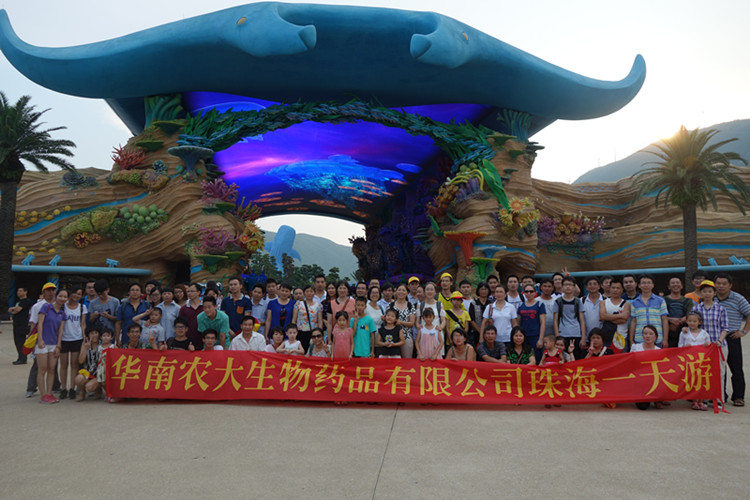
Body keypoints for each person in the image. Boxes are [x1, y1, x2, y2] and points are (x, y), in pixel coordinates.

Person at [714, 272, 750, 407]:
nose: (721, 286)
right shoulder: (712, 297)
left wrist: (744, 331)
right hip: (716, 339)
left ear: (730, 285)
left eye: (724, 284)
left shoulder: (738, 298)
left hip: (732, 337)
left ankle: (738, 396)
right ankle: (721, 395)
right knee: (719, 369)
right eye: (718, 283)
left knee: (736, 368)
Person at [693, 279, 729, 406]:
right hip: (702, 347)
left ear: (714, 293)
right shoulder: (696, 308)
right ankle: (704, 398)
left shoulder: (721, 309)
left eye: (709, 291)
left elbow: (725, 328)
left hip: (718, 346)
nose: (707, 294)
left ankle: (719, 399)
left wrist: (720, 340)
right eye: (704, 291)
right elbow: (692, 325)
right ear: (701, 293)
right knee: (702, 372)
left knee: (719, 372)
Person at [25, 282, 61, 398]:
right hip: (41, 341)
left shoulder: (58, 305)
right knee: (39, 366)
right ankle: (31, 387)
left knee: (52, 366)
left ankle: (55, 386)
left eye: (53, 290)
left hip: (53, 339)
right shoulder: (38, 306)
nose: (51, 292)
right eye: (48, 290)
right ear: (43, 292)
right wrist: (34, 341)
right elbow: (33, 324)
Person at [36, 288, 68, 403]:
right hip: (43, 343)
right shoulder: (46, 307)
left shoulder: (62, 313)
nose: (62, 298)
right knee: (42, 369)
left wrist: (58, 345)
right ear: (56, 296)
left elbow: (60, 331)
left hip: (54, 344)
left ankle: (49, 393)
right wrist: (40, 339)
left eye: (65, 297)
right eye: (60, 296)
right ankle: (43, 395)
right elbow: (40, 324)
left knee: (51, 369)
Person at [59, 286, 87, 400]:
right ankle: (63, 388)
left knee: (74, 364)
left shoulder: (82, 307)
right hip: (64, 338)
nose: (76, 296)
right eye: (75, 293)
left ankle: (72, 388)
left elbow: (83, 324)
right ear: (70, 293)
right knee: (63, 364)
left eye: (79, 294)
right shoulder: (63, 306)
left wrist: (84, 336)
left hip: (76, 338)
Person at [629, 275, 670, 349]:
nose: (646, 285)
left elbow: (664, 320)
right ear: (639, 285)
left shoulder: (660, 301)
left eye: (649, 283)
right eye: (643, 283)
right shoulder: (634, 302)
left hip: (657, 339)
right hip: (639, 339)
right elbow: (633, 321)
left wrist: (665, 339)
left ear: (653, 285)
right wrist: (631, 340)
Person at [552, 277, 586, 359]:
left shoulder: (578, 301)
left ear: (574, 287)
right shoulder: (558, 301)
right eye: (566, 285)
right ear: (562, 287)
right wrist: (557, 336)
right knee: (563, 358)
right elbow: (555, 320)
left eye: (570, 285)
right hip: (562, 333)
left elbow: (582, 320)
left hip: (576, 333)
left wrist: (583, 338)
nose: (568, 287)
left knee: (576, 358)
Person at [631, 325, 664, 410]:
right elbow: (629, 363)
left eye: (651, 334)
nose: (648, 336)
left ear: (655, 336)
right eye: (645, 334)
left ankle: (658, 400)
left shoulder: (659, 351)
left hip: (654, 378)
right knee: (643, 406)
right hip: (639, 379)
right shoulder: (635, 347)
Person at [599, 278, 631, 349]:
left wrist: (608, 318)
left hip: (622, 337)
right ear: (610, 289)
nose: (615, 290)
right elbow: (602, 316)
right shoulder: (603, 302)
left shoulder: (626, 304)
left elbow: (624, 319)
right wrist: (620, 315)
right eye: (613, 288)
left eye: (618, 288)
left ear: (622, 290)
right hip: (607, 337)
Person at [115, 282, 149, 347]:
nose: (135, 292)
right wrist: (117, 339)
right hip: (126, 339)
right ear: (129, 292)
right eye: (132, 290)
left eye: (137, 290)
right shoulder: (123, 306)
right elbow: (118, 323)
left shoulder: (147, 305)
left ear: (141, 293)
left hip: (143, 340)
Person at [292, 284, 323, 352]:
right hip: (300, 332)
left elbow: (320, 321)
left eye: (311, 291)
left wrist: (320, 333)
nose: (309, 293)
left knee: (312, 351)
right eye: (307, 291)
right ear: (304, 293)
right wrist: (293, 332)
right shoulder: (298, 304)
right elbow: (294, 319)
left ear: (314, 293)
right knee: (301, 351)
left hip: (313, 333)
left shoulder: (318, 305)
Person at [517, 284, 546, 359]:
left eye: (531, 291)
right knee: (524, 358)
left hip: (535, 336)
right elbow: (518, 323)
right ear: (523, 293)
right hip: (523, 337)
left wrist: (541, 339)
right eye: (526, 291)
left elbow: (543, 323)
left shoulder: (540, 304)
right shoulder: (521, 305)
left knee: (537, 358)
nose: (529, 293)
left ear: (535, 292)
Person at [74, 324, 101, 401]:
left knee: (89, 387)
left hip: (98, 373)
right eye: (92, 333)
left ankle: (98, 389)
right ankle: (82, 392)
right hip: (87, 372)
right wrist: (85, 349)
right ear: (88, 335)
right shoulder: (85, 345)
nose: (94, 335)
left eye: (96, 333)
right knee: (78, 379)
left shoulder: (102, 344)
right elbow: (80, 361)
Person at [664, 276, 693, 348]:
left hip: (684, 331)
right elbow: (659, 315)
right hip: (667, 332)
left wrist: (682, 320)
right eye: (673, 283)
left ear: (682, 286)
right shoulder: (663, 300)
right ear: (669, 287)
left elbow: (691, 314)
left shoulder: (688, 301)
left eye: (677, 282)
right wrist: (670, 319)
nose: (675, 284)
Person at [390, 283, 416, 358]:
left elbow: (412, 323)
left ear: (407, 293)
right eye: (399, 290)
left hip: (406, 337)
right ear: (396, 291)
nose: (401, 292)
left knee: (407, 361)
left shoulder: (410, 306)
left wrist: (400, 322)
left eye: (403, 290)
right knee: (393, 360)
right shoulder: (391, 305)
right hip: (392, 337)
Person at [9, 286, 33, 364]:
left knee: (21, 342)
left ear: (25, 292)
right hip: (16, 324)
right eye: (18, 291)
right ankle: (20, 357)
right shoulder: (19, 302)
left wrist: (13, 309)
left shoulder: (26, 301)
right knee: (17, 342)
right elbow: (11, 310)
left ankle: (23, 359)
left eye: (20, 291)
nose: (18, 292)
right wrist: (13, 309)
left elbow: (17, 310)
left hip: (22, 325)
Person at [468, 282, 491, 347]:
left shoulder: (491, 304)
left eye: (485, 289)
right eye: (482, 289)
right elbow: (471, 319)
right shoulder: (473, 303)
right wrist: (480, 331)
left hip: (489, 333)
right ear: (478, 290)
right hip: (476, 332)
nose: (484, 291)